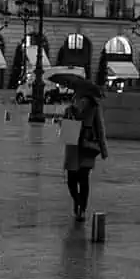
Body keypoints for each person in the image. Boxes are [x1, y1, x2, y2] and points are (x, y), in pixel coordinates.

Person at [63, 80, 107, 222]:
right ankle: (78, 202)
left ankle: (82, 208)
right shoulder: (71, 107)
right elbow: (65, 126)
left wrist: (103, 147)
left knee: (82, 178)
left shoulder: (94, 107)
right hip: (73, 144)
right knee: (72, 180)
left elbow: (99, 128)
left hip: (85, 144)